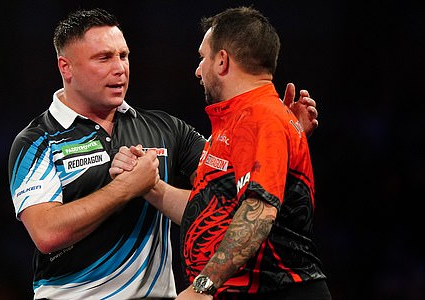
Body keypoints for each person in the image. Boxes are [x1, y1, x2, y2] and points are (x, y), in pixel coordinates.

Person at [8, 8, 319, 300]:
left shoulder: (166, 128)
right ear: (66, 67)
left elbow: (225, 199)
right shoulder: (37, 141)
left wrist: (285, 137)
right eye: (103, 58)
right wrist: (127, 188)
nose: (119, 68)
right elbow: (47, 233)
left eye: (123, 55)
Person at [110, 6, 330, 300]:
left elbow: (260, 212)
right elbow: (212, 210)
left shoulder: (261, 117)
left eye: (203, 57)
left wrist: (204, 286)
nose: (198, 70)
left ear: (222, 61)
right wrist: (148, 185)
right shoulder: (240, 120)